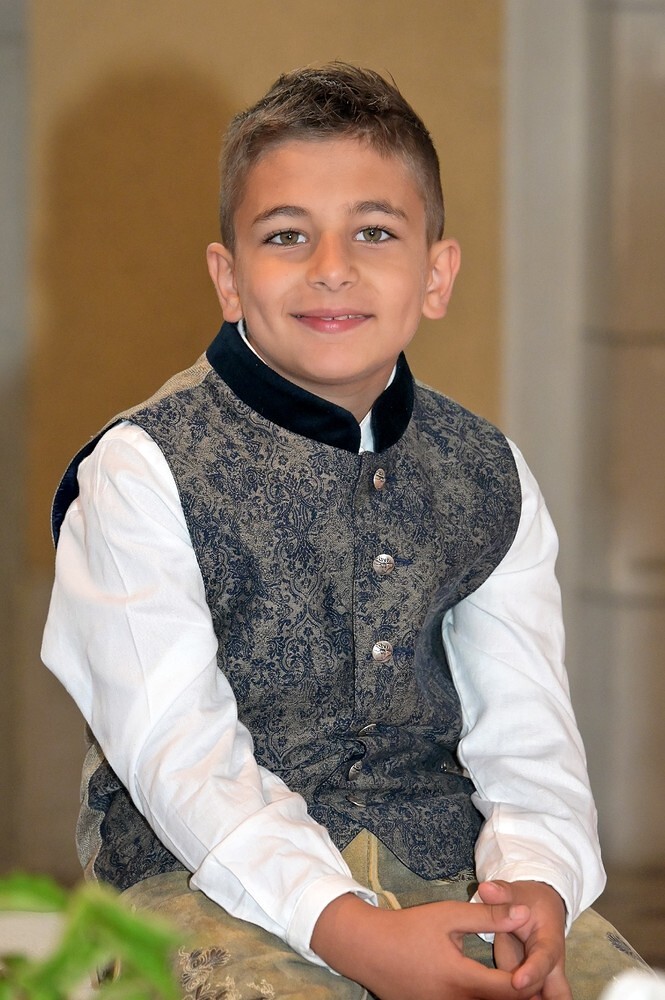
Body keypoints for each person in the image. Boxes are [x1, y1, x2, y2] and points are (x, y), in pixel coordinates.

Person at [42, 63, 647, 1000]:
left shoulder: (486, 471)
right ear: (228, 279)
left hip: (447, 866)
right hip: (205, 881)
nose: (331, 266)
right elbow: (179, 755)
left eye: (374, 231)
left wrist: (537, 879)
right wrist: (350, 931)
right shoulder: (140, 471)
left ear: (435, 275)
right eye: (286, 235)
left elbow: (527, 731)